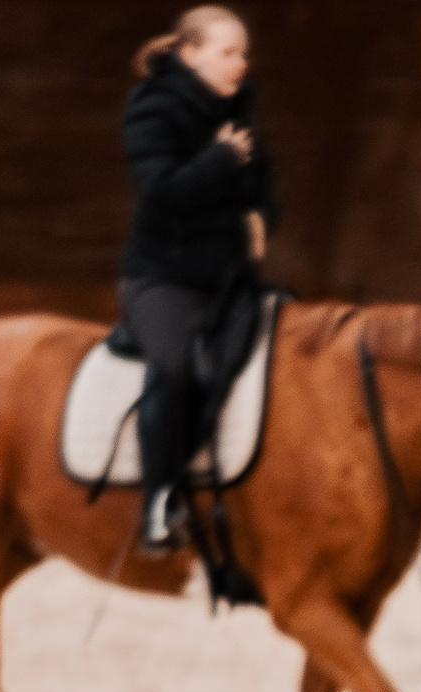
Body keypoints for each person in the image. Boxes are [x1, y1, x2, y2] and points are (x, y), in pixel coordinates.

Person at [118, 6, 277, 548]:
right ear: (190, 54)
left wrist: (260, 215)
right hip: (162, 279)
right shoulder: (152, 109)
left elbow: (260, 189)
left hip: (230, 278)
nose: (240, 63)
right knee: (175, 369)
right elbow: (161, 194)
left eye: (244, 53)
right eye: (228, 52)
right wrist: (220, 159)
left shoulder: (236, 112)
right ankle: (157, 502)